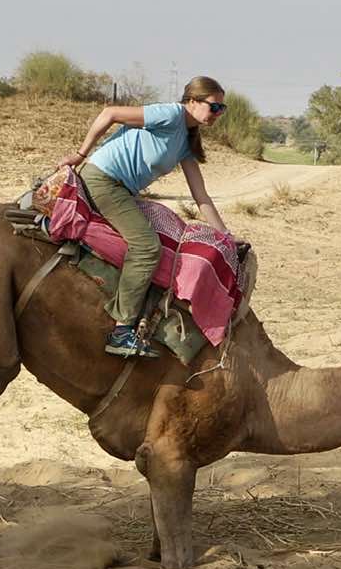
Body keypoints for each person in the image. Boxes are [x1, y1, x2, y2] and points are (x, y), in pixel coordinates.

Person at [56, 76, 234, 358]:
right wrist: (80, 154)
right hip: (102, 180)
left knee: (169, 235)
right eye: (214, 107)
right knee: (147, 247)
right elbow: (110, 113)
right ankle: (122, 330)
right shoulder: (170, 114)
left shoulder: (187, 142)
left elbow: (201, 197)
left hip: (122, 190)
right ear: (191, 102)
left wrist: (227, 238)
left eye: (222, 109)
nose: (218, 114)